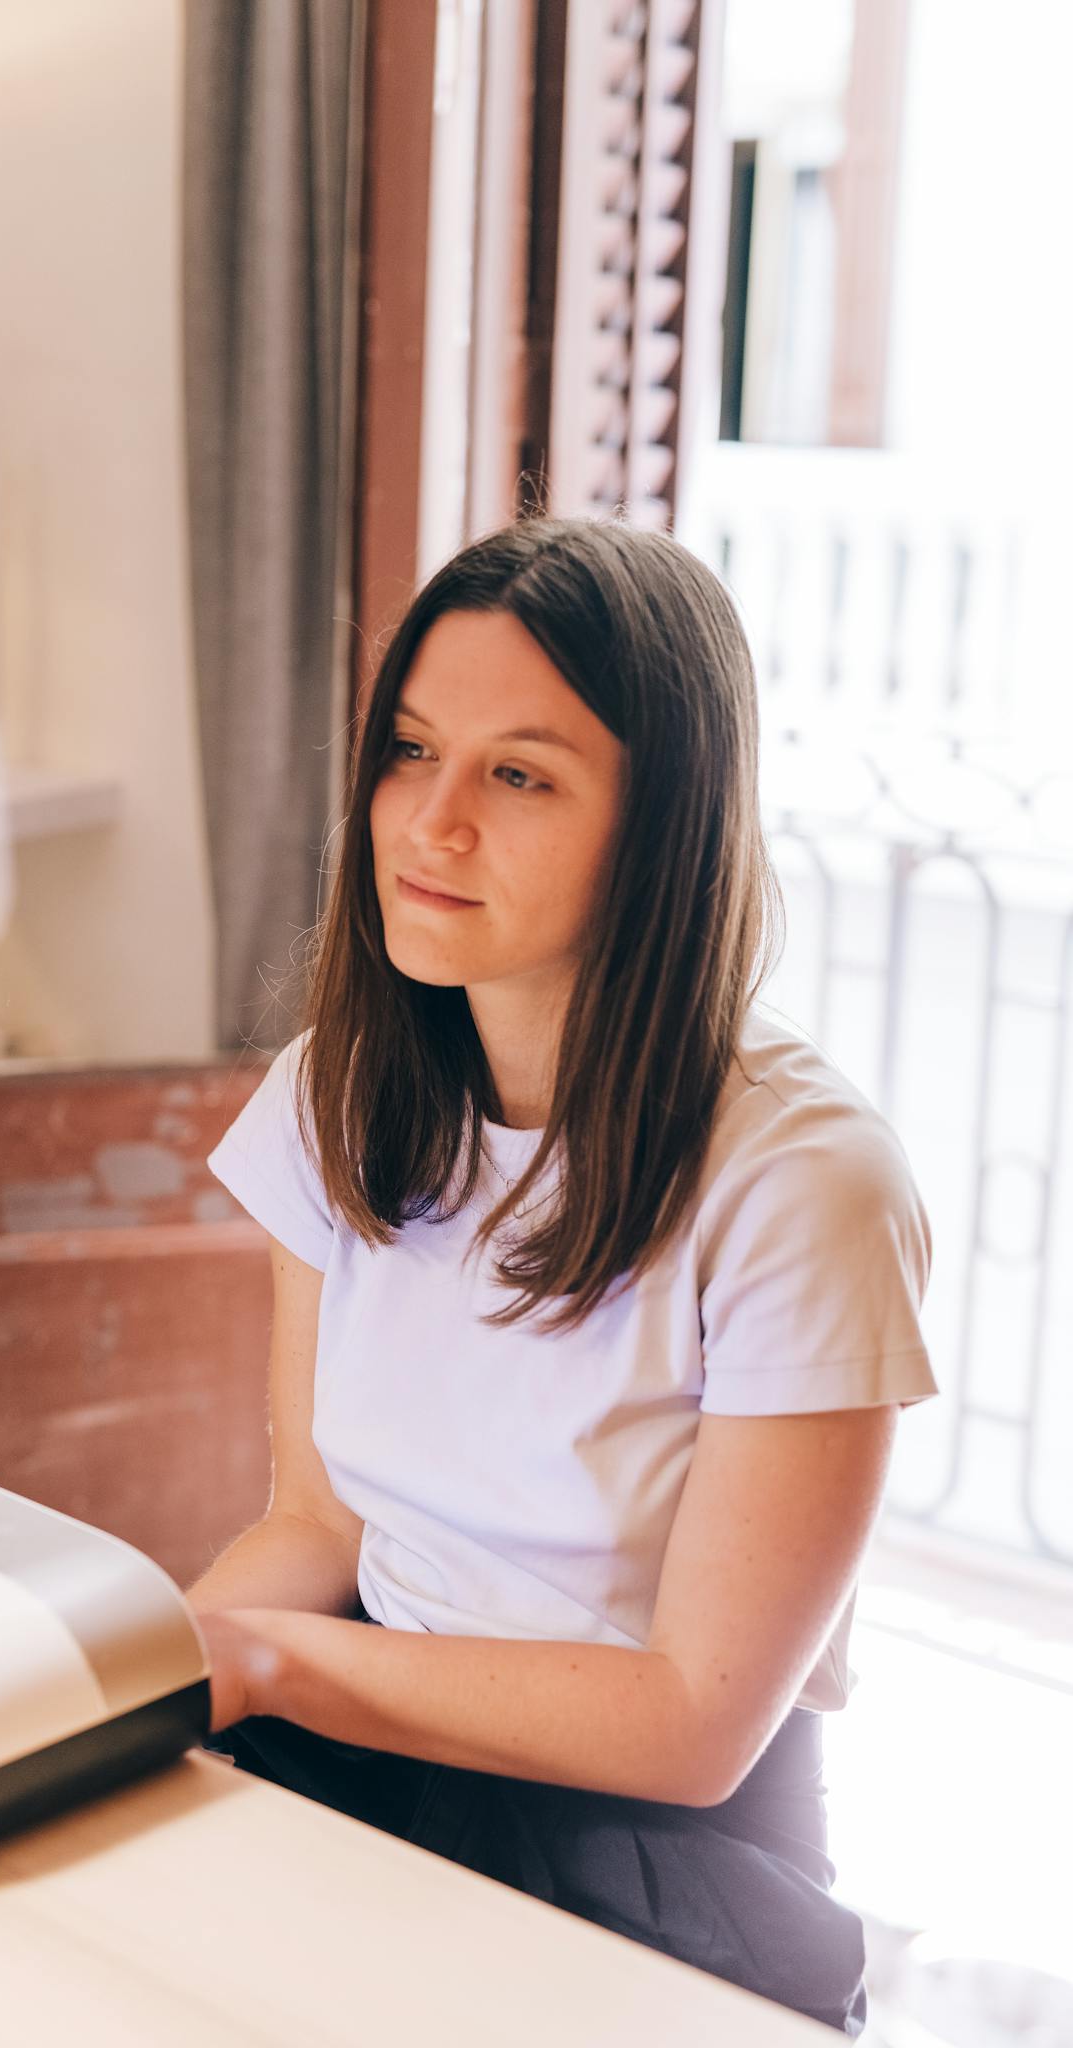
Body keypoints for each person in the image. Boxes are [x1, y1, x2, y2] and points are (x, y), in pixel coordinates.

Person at [184, 514, 938, 2036]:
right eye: (410, 751)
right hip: (363, 1738)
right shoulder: (343, 1091)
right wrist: (145, 1681)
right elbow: (316, 1523)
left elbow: (694, 1723)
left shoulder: (803, 1182)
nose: (429, 824)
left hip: (654, 1849)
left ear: (666, 824)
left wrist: (262, 1664)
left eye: (518, 775)